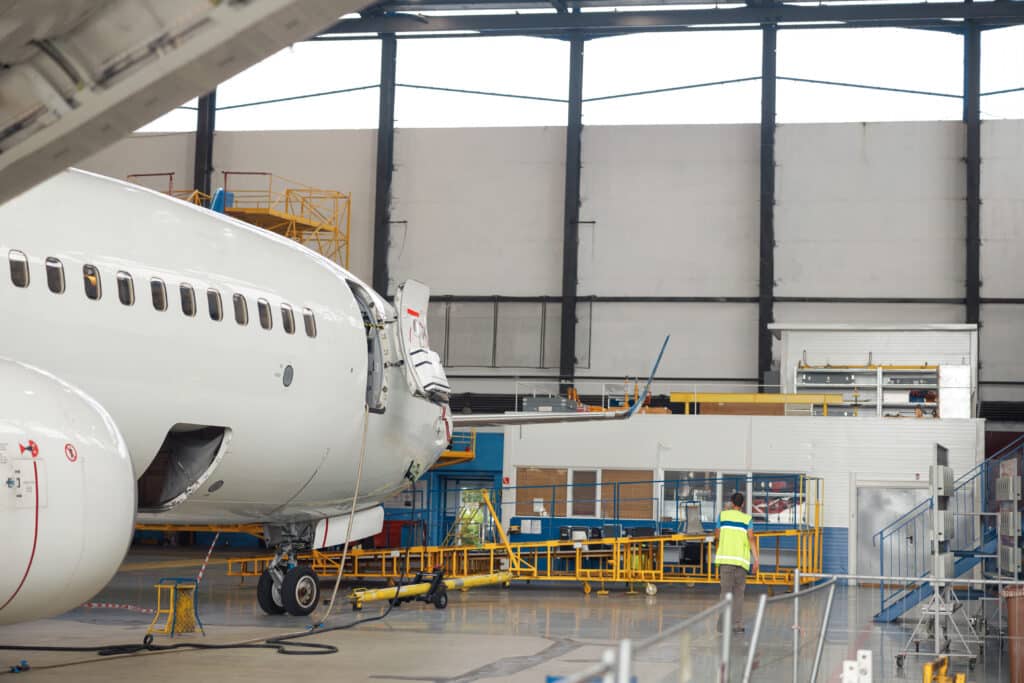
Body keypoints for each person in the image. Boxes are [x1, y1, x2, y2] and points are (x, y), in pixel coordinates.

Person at [714, 491, 760, 633]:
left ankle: (722, 625)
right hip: (741, 563)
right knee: (739, 594)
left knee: (725, 592)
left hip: (726, 561)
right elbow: (751, 539)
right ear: (743, 504)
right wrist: (756, 560)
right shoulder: (747, 519)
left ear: (732, 503)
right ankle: (737, 624)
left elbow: (717, 535)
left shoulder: (722, 515)